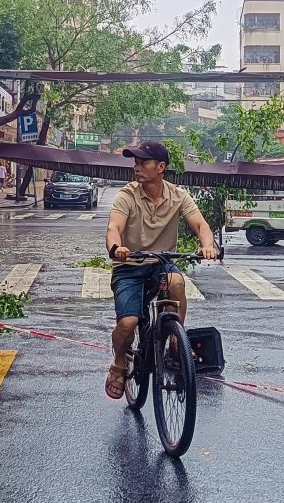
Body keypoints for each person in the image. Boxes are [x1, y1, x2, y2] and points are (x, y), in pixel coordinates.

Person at [103, 140, 217, 399]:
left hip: (160, 262)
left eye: (144, 162)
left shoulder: (178, 196)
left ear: (161, 167)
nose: (137, 167)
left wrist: (207, 246)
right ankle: (119, 364)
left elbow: (200, 225)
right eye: (136, 162)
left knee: (177, 282)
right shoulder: (127, 195)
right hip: (129, 265)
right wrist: (116, 247)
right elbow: (113, 228)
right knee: (129, 322)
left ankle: (176, 339)